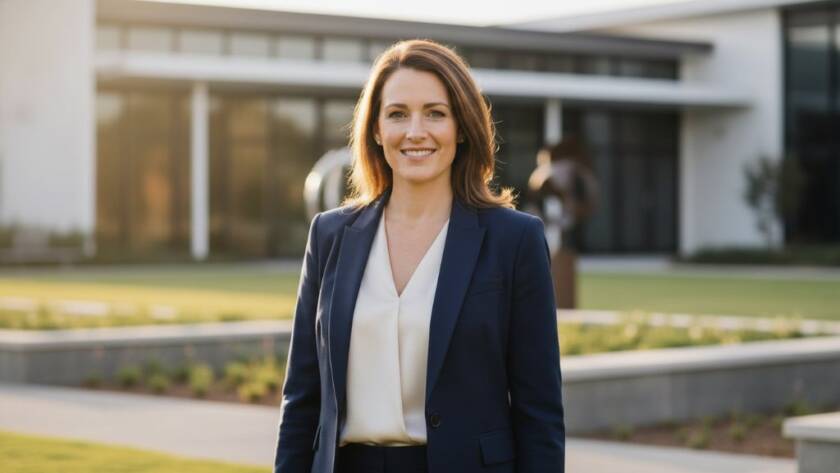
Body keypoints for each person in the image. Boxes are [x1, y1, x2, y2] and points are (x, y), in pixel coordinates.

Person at [274, 39, 565, 473]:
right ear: (375, 129)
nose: (415, 131)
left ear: (462, 127)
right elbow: (302, 399)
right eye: (397, 114)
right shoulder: (330, 235)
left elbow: (538, 410)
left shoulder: (515, 240)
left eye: (435, 113)